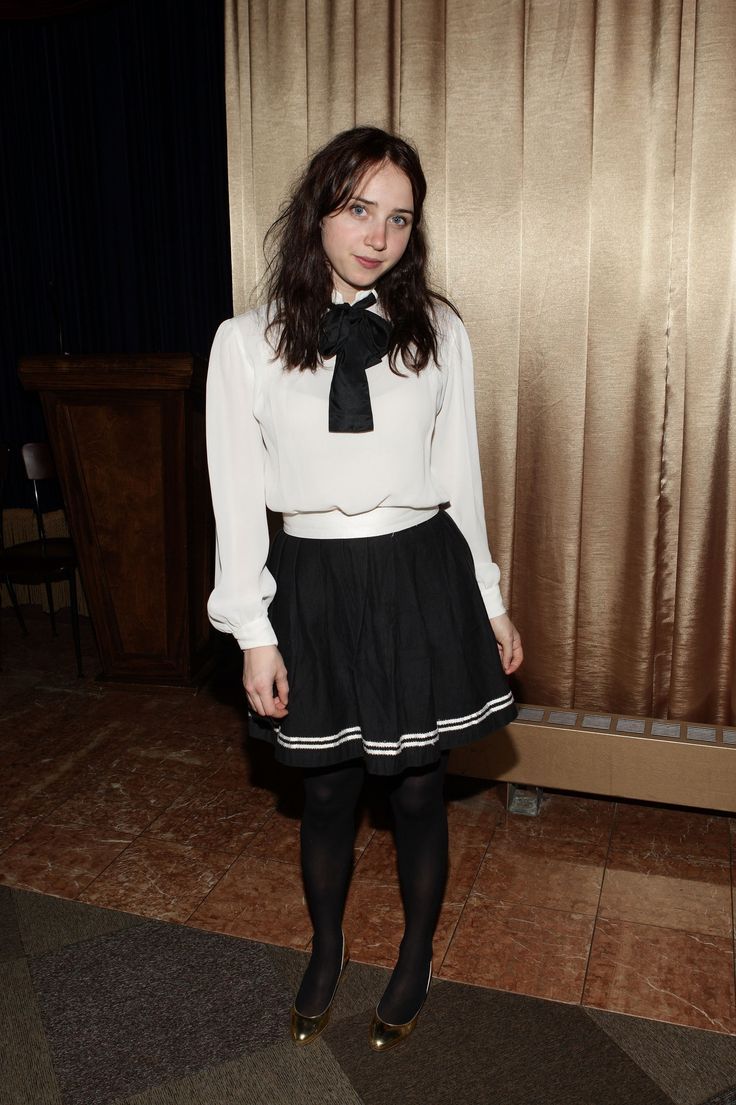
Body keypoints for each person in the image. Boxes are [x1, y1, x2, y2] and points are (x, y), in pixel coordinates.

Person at [206, 126, 523, 1052]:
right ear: (318, 212)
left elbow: (461, 478)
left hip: (420, 574)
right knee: (330, 792)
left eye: (398, 217)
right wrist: (251, 630)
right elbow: (234, 502)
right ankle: (327, 946)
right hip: (311, 585)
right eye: (357, 209)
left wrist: (490, 597)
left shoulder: (441, 331)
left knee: (421, 791)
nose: (377, 234)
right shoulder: (245, 343)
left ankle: (416, 953)